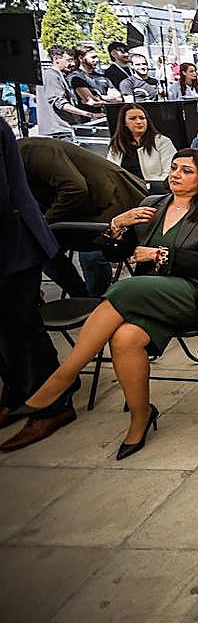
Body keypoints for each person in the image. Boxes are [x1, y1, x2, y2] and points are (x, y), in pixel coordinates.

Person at [5, 149, 198, 457]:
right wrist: (116, 226)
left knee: (126, 288)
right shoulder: (151, 205)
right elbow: (117, 255)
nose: (176, 174)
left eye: (186, 171)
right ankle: (140, 417)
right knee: (124, 337)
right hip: (148, 296)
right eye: (174, 168)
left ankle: (63, 377)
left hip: (194, 295)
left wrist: (158, 256)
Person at [19, 135, 146, 297]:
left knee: (91, 252)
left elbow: (75, 189)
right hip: (82, 209)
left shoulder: (31, 151)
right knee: (39, 246)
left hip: (114, 200)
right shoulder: (18, 158)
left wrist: (45, 223)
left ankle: (95, 301)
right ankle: (80, 297)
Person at [0, 118, 60, 438]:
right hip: (11, 246)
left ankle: (52, 403)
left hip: (11, 246)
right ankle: (16, 394)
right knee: (7, 334)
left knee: (20, 331)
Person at [36, 45, 97, 139]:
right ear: (56, 59)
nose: (72, 64)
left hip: (64, 129)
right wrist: (90, 114)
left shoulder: (59, 75)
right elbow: (60, 103)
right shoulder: (51, 75)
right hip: (59, 131)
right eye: (69, 60)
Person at [106, 103, 177, 183]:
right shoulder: (117, 144)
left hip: (154, 191)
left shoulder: (162, 142)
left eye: (142, 118)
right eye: (133, 118)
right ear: (124, 123)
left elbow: (170, 172)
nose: (139, 121)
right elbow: (110, 172)